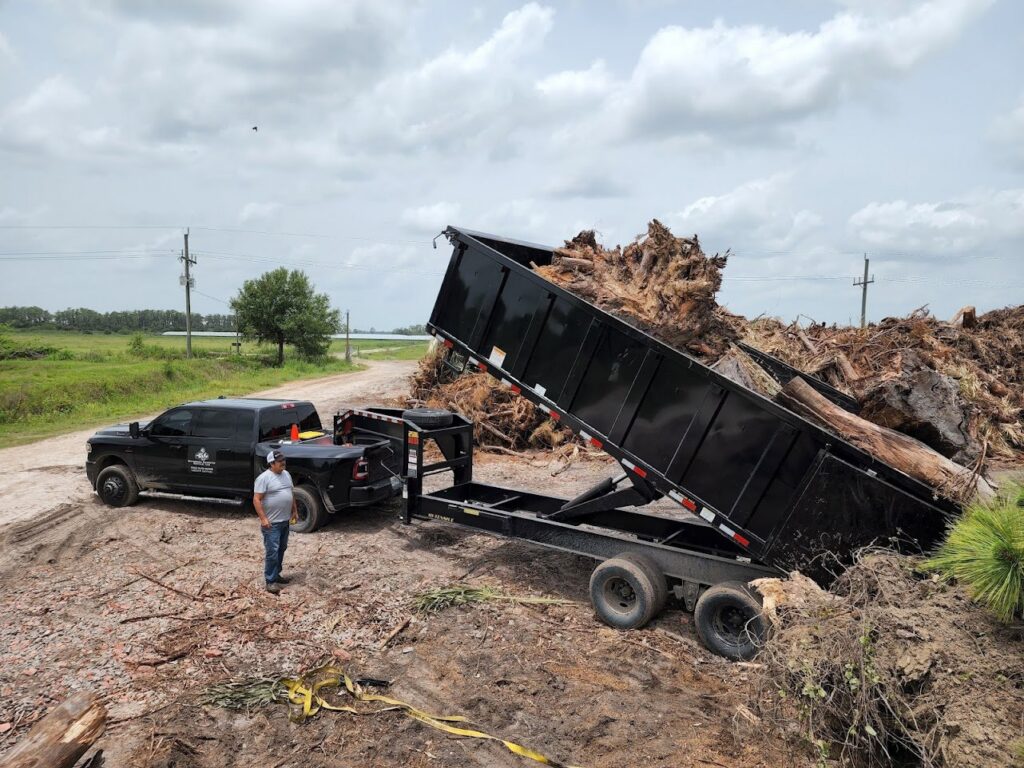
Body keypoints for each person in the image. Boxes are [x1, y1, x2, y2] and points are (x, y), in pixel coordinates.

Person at [253, 449, 298, 594]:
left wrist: (294, 510)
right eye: (279, 461)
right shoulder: (264, 478)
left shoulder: (286, 474)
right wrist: (263, 519)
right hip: (271, 523)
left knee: (281, 548)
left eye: (283, 460)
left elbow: (290, 493)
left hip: (284, 520)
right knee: (272, 551)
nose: (283, 463)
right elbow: (256, 499)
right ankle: (270, 581)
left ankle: (277, 574)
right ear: (271, 463)